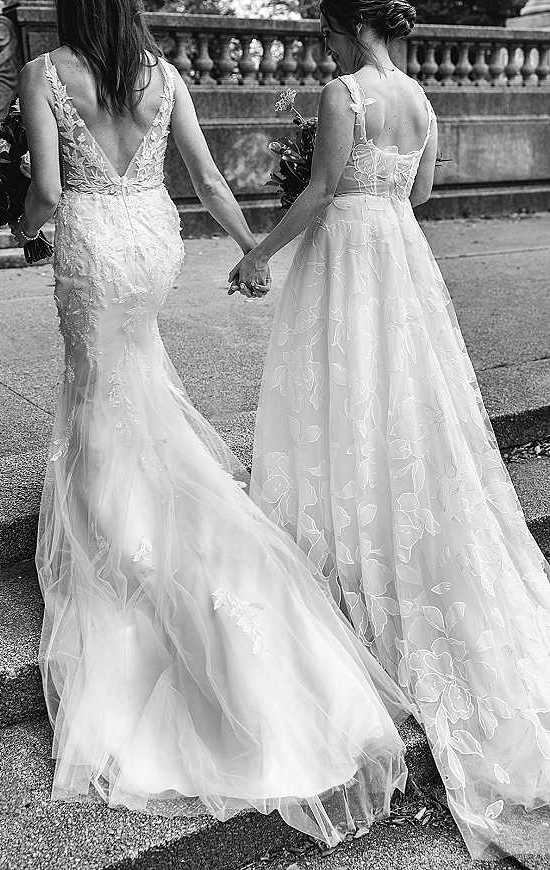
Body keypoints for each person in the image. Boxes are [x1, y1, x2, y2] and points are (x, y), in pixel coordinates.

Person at [9, 0, 413, 848]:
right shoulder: (163, 75)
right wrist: (248, 250)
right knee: (136, 377)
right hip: (152, 241)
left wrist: (18, 224)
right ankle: (151, 513)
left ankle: (116, 534)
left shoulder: (45, 72)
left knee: (100, 387)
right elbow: (207, 178)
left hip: (92, 240)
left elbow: (46, 191)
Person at [233, 0, 550, 860]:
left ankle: (345, 553)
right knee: (404, 403)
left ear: (346, 28)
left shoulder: (344, 93)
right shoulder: (420, 98)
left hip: (345, 260)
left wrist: (259, 252)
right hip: (401, 259)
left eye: (325, 30)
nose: (323, 43)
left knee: (343, 399)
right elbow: (421, 193)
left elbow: (321, 191)